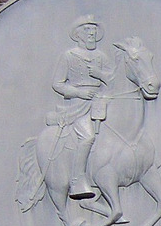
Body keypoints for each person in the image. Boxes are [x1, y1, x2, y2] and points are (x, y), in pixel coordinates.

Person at [45, 15, 115, 200]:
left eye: (93, 29)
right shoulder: (69, 56)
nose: (91, 32)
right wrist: (78, 93)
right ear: (78, 34)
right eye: (87, 29)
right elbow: (57, 83)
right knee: (87, 137)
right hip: (78, 104)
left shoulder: (101, 57)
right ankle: (77, 181)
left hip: (101, 100)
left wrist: (100, 74)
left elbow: (113, 80)